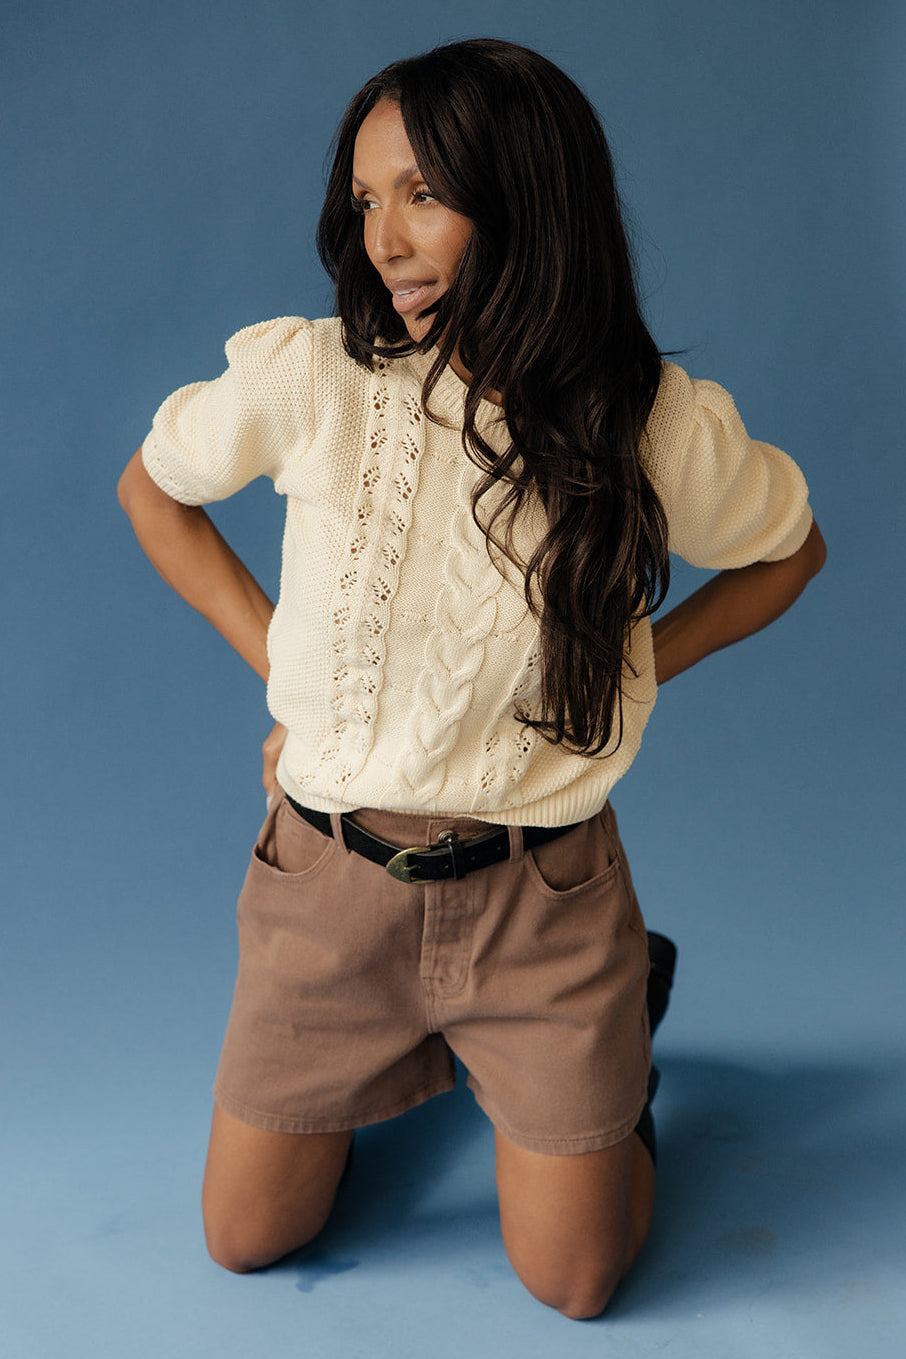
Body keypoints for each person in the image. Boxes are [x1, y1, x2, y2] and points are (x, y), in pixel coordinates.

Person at [117, 38, 825, 1319]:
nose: (383, 233)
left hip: (540, 896)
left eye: (424, 193)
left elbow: (790, 552)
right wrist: (289, 666)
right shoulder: (314, 376)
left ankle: (615, 1036)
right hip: (328, 888)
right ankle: (456, 1059)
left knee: (576, 1283)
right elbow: (152, 492)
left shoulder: (648, 418)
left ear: (528, 194)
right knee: (243, 1240)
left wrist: (640, 661)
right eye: (366, 197)